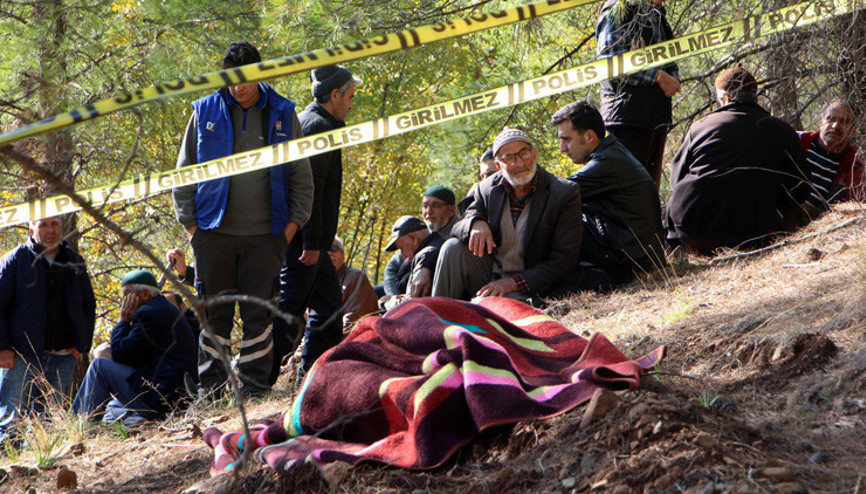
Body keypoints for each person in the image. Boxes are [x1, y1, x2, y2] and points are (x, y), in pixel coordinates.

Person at [172, 41, 314, 395]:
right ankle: (212, 391)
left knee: (259, 316)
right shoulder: (204, 111)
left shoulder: (283, 112)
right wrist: (192, 228)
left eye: (246, 79)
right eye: (232, 80)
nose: (239, 87)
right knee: (213, 314)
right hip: (212, 234)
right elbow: (183, 172)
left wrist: (290, 228)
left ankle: (253, 388)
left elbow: (301, 175)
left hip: (266, 236)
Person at [271, 65, 360, 380]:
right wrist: (310, 243)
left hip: (314, 240)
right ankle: (259, 380)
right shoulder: (317, 127)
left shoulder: (319, 124)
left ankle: (314, 376)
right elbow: (309, 190)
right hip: (302, 240)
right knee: (289, 309)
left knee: (329, 307)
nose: (351, 104)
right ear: (334, 94)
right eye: (349, 96)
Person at [664, 66, 809, 255]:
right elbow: (801, 188)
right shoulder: (782, 131)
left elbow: (676, 180)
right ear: (755, 96)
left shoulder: (700, 127)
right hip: (752, 234)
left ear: (726, 98)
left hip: (691, 230)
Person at [431, 128, 584, 301]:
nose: (519, 163)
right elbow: (462, 221)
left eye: (523, 153)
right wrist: (475, 223)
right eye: (509, 158)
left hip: (534, 285)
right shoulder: (486, 188)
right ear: (498, 165)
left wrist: (513, 283)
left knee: (484, 305)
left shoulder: (563, 192)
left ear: (534, 153)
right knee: (452, 248)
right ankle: (436, 318)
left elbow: (565, 260)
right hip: (492, 276)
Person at [0, 216, 96, 442]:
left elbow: (87, 304)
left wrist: (82, 343)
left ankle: (41, 469)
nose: (50, 230)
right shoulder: (15, 259)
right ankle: (9, 471)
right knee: (11, 420)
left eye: (54, 224)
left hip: (63, 355)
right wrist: (2, 347)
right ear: (31, 228)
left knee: (49, 421)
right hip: (21, 355)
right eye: (43, 225)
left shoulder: (74, 261)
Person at [552, 100, 665, 283]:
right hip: (636, 255)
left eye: (567, 139)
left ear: (589, 137)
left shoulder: (605, 162)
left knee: (554, 217)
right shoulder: (611, 153)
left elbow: (555, 193)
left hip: (631, 263)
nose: (562, 148)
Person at [72, 270, 196, 425]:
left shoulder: (148, 313)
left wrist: (123, 320)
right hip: (173, 396)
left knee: (100, 366)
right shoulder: (162, 309)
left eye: (127, 293)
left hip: (161, 400)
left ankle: (79, 425)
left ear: (144, 294)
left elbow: (119, 354)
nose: (123, 300)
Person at [596, 0, 681, 187]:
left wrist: (673, 76)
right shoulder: (617, 10)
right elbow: (610, 65)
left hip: (655, 118)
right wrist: (657, 76)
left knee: (647, 193)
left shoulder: (657, 13)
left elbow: (670, 57)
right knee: (626, 192)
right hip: (626, 120)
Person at [796, 100, 864, 215]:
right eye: (831, 119)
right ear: (821, 122)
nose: (835, 126)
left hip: (813, 229)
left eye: (844, 122)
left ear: (853, 130)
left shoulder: (856, 171)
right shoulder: (796, 141)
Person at [381, 216, 444, 307]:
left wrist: (384, 304)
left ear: (413, 238)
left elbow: (411, 304)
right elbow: (390, 269)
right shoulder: (431, 249)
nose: (403, 255)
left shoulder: (423, 260)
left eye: (402, 248)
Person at [328, 237, 378, 328]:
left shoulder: (356, 278)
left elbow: (352, 322)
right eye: (324, 249)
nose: (329, 253)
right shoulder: (313, 282)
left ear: (343, 256)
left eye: (333, 248)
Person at [459, 150, 498, 216]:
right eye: (482, 176)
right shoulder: (479, 196)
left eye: (490, 174)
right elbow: (467, 221)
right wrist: (469, 199)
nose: (485, 180)